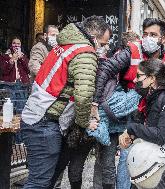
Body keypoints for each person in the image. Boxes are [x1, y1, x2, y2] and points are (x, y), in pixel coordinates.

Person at [20, 15, 111, 189]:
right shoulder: (85, 53)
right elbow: (84, 95)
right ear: (93, 38)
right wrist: (84, 123)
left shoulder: (65, 45)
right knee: (38, 183)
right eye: (103, 43)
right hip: (45, 122)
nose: (105, 48)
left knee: (44, 179)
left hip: (36, 116)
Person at [91, 18, 165, 189]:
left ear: (164, 38)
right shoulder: (131, 51)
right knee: (113, 158)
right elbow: (106, 69)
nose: (148, 38)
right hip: (122, 112)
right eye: (145, 34)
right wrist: (95, 103)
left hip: (148, 113)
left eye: (153, 34)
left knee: (134, 158)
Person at [119, 59, 165, 189]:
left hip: (161, 165)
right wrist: (132, 135)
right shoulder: (149, 94)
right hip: (149, 159)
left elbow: (161, 135)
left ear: (152, 78)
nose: (135, 80)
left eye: (139, 76)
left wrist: (132, 129)